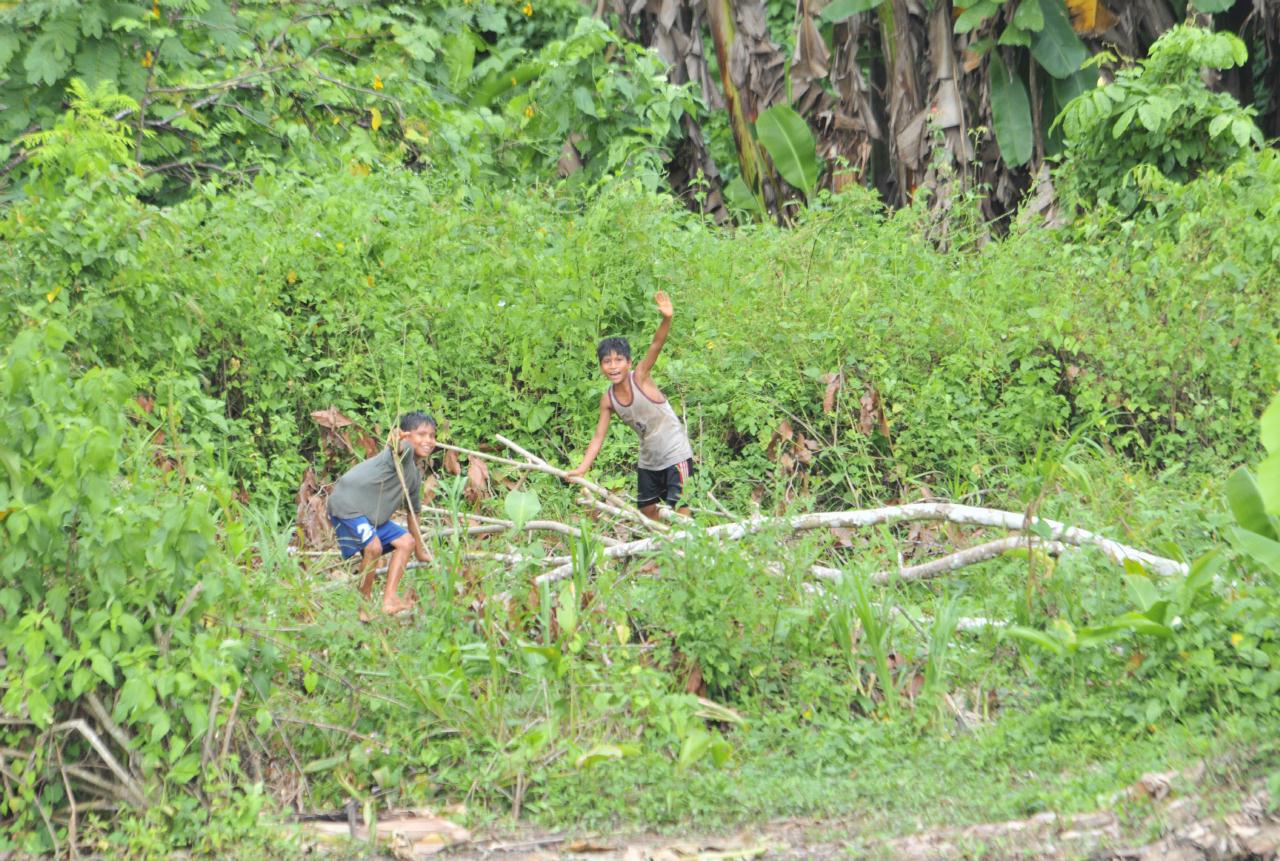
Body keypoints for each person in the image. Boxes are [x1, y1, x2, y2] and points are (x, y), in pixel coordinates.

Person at [566, 291, 694, 520]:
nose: (613, 366)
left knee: (682, 509)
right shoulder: (608, 400)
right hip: (649, 460)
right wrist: (582, 468)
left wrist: (667, 319)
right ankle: (662, 546)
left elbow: (656, 344)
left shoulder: (641, 377)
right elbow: (598, 437)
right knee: (646, 511)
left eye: (618, 360)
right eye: (607, 362)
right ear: (601, 367)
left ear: (629, 363)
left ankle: (687, 549)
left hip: (676, 454)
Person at [327, 411, 435, 617]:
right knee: (374, 547)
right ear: (406, 435)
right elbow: (400, 447)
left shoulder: (413, 476)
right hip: (348, 505)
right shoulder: (403, 455)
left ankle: (389, 601)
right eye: (422, 434)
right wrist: (397, 440)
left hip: (369, 517)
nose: (428, 440)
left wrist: (420, 551)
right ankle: (364, 607)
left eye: (432, 436)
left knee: (406, 542)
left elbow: (414, 514)